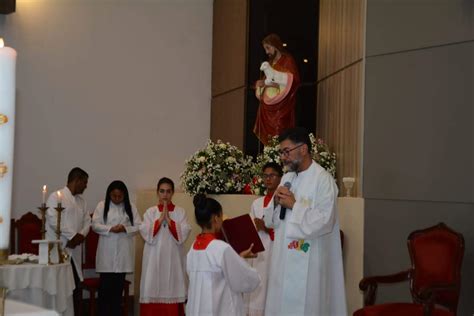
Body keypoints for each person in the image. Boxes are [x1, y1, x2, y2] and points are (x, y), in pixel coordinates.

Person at [263, 127, 347, 316]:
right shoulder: (287, 177)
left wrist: (295, 205)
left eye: (287, 151)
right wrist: (276, 204)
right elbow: (272, 221)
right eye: (281, 153)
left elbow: (326, 221)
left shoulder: (323, 180)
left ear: (303, 149)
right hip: (283, 261)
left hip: (310, 262)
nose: (283, 158)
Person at [186, 194, 261, 316]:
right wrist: (253, 273)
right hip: (219, 309)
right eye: (221, 216)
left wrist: (239, 257)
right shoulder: (221, 248)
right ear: (216, 218)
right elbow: (244, 279)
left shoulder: (193, 248)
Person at [139, 177, 191, 316]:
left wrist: (169, 220)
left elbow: (183, 234)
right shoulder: (150, 212)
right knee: (152, 284)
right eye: (162, 191)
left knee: (173, 286)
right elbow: (145, 232)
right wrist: (160, 220)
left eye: (168, 191)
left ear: (173, 193)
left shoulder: (180, 212)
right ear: (157, 193)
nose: (165, 195)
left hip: (173, 258)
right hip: (153, 258)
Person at [92, 180, 142, 316]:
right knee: (104, 292)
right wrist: (110, 228)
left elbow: (139, 226)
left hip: (123, 255)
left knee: (117, 293)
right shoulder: (102, 205)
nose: (117, 199)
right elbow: (95, 225)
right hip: (106, 255)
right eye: (114, 196)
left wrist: (125, 228)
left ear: (124, 195)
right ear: (109, 195)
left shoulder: (130, 207)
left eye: (120, 196)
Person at [46, 167, 90, 315]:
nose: (86, 186)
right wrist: (73, 236)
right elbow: (53, 219)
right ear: (76, 180)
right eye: (84, 182)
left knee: (75, 287)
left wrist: (80, 236)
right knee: (59, 288)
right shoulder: (55, 197)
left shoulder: (81, 201)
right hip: (59, 250)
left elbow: (87, 221)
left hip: (74, 251)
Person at [244, 162, 282, 316]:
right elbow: (251, 229)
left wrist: (265, 227)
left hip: (275, 251)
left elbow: (285, 231)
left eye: (272, 175)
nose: (268, 179)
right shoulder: (256, 203)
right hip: (258, 252)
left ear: (280, 178)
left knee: (271, 286)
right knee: (257, 285)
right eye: (265, 176)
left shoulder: (283, 202)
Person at [254, 33, 300, 145]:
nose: (267, 52)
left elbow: (293, 81)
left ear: (275, 45)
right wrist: (260, 84)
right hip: (268, 108)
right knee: (269, 143)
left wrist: (271, 83)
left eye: (268, 48)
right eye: (265, 49)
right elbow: (266, 83)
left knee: (280, 136)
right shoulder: (270, 64)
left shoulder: (287, 60)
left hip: (282, 108)